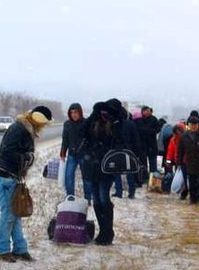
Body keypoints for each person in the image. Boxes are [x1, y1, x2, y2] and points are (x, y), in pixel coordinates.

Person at [0, 105, 53, 262]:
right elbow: (8, 151)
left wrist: (26, 159)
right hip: (3, 176)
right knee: (9, 213)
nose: (44, 127)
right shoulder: (20, 129)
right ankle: (1, 250)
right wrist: (28, 158)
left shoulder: (24, 128)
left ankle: (20, 249)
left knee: (15, 213)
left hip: (10, 176)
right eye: (44, 123)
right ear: (39, 121)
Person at [78, 100, 137, 245]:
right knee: (97, 199)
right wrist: (93, 114)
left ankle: (107, 232)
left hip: (107, 166)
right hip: (92, 164)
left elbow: (121, 140)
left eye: (107, 112)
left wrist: (114, 120)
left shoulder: (118, 123)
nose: (104, 114)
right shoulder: (94, 122)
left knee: (104, 197)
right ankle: (103, 231)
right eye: (102, 112)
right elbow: (82, 132)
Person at [105, 99, 140, 198]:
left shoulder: (113, 125)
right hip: (129, 151)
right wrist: (136, 152)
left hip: (116, 150)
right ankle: (131, 192)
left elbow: (111, 138)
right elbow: (136, 139)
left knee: (116, 172)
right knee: (130, 171)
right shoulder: (131, 124)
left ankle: (119, 192)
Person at [60, 103, 91, 200]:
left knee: (86, 178)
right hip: (72, 155)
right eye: (71, 112)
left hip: (84, 155)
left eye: (76, 112)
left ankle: (88, 198)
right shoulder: (67, 124)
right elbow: (65, 139)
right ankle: (70, 198)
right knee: (68, 177)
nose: (74, 114)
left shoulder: (86, 123)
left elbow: (90, 139)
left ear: (80, 112)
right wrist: (62, 153)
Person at [135, 105, 162, 174]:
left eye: (150, 111)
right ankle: (144, 177)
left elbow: (158, 129)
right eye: (147, 111)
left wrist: (150, 131)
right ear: (143, 112)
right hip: (142, 144)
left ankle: (153, 177)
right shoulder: (138, 120)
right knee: (143, 164)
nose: (149, 112)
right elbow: (137, 130)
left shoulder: (154, 119)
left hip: (152, 144)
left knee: (153, 163)